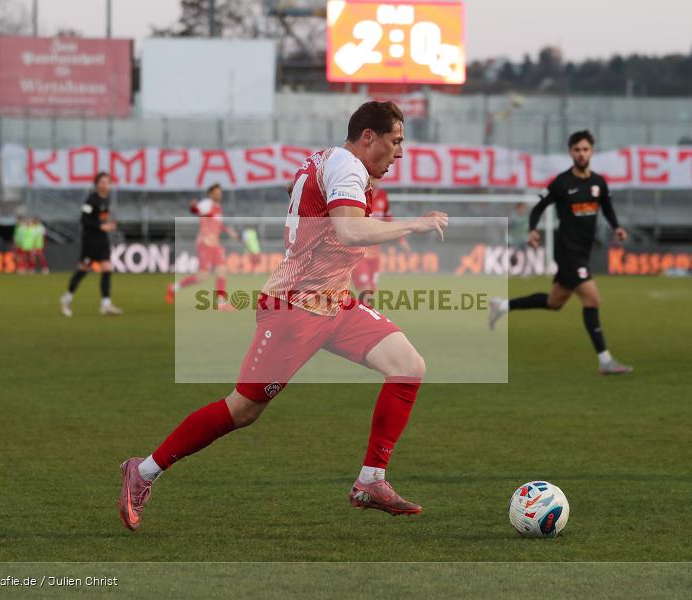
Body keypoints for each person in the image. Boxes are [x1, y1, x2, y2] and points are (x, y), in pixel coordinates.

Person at [119, 101, 448, 531]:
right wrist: (413, 225)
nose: (400, 153)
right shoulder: (347, 168)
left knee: (408, 366)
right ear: (369, 136)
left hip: (333, 301)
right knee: (242, 410)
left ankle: (371, 480)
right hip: (294, 307)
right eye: (396, 141)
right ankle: (142, 472)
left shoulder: (329, 160)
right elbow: (349, 230)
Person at [488, 130, 632, 375]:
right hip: (567, 252)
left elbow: (606, 206)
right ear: (570, 152)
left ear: (592, 151)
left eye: (585, 149)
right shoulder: (562, 183)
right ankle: (605, 360)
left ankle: (502, 306)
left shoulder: (599, 182)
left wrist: (616, 226)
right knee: (592, 299)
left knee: (554, 302)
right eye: (577, 150)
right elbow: (539, 207)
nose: (581, 153)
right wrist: (533, 230)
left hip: (582, 252)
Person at [165, 183, 239, 307]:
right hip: (205, 243)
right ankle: (174, 287)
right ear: (210, 194)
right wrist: (193, 207)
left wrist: (230, 231)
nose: (218, 195)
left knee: (221, 270)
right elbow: (196, 210)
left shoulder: (218, 207)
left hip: (216, 244)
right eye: (216, 193)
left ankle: (221, 302)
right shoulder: (207, 204)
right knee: (202, 276)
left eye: (220, 192)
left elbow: (218, 224)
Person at [60, 172, 122, 317]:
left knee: (107, 268)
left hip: (102, 240)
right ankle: (66, 299)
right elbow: (84, 219)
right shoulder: (90, 200)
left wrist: (108, 225)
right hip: (90, 240)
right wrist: (101, 226)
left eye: (107, 182)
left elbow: (102, 218)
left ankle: (106, 304)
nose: (105, 185)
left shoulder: (108, 199)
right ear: (97, 184)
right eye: (102, 182)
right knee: (83, 270)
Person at [351, 179, 410, 305]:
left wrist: (401, 240)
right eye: (372, 178)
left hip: (375, 254)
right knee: (365, 290)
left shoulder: (382, 196)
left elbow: (388, 220)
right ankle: (362, 319)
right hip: (359, 254)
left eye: (377, 178)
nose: (375, 181)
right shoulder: (359, 196)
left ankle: (362, 318)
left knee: (371, 291)